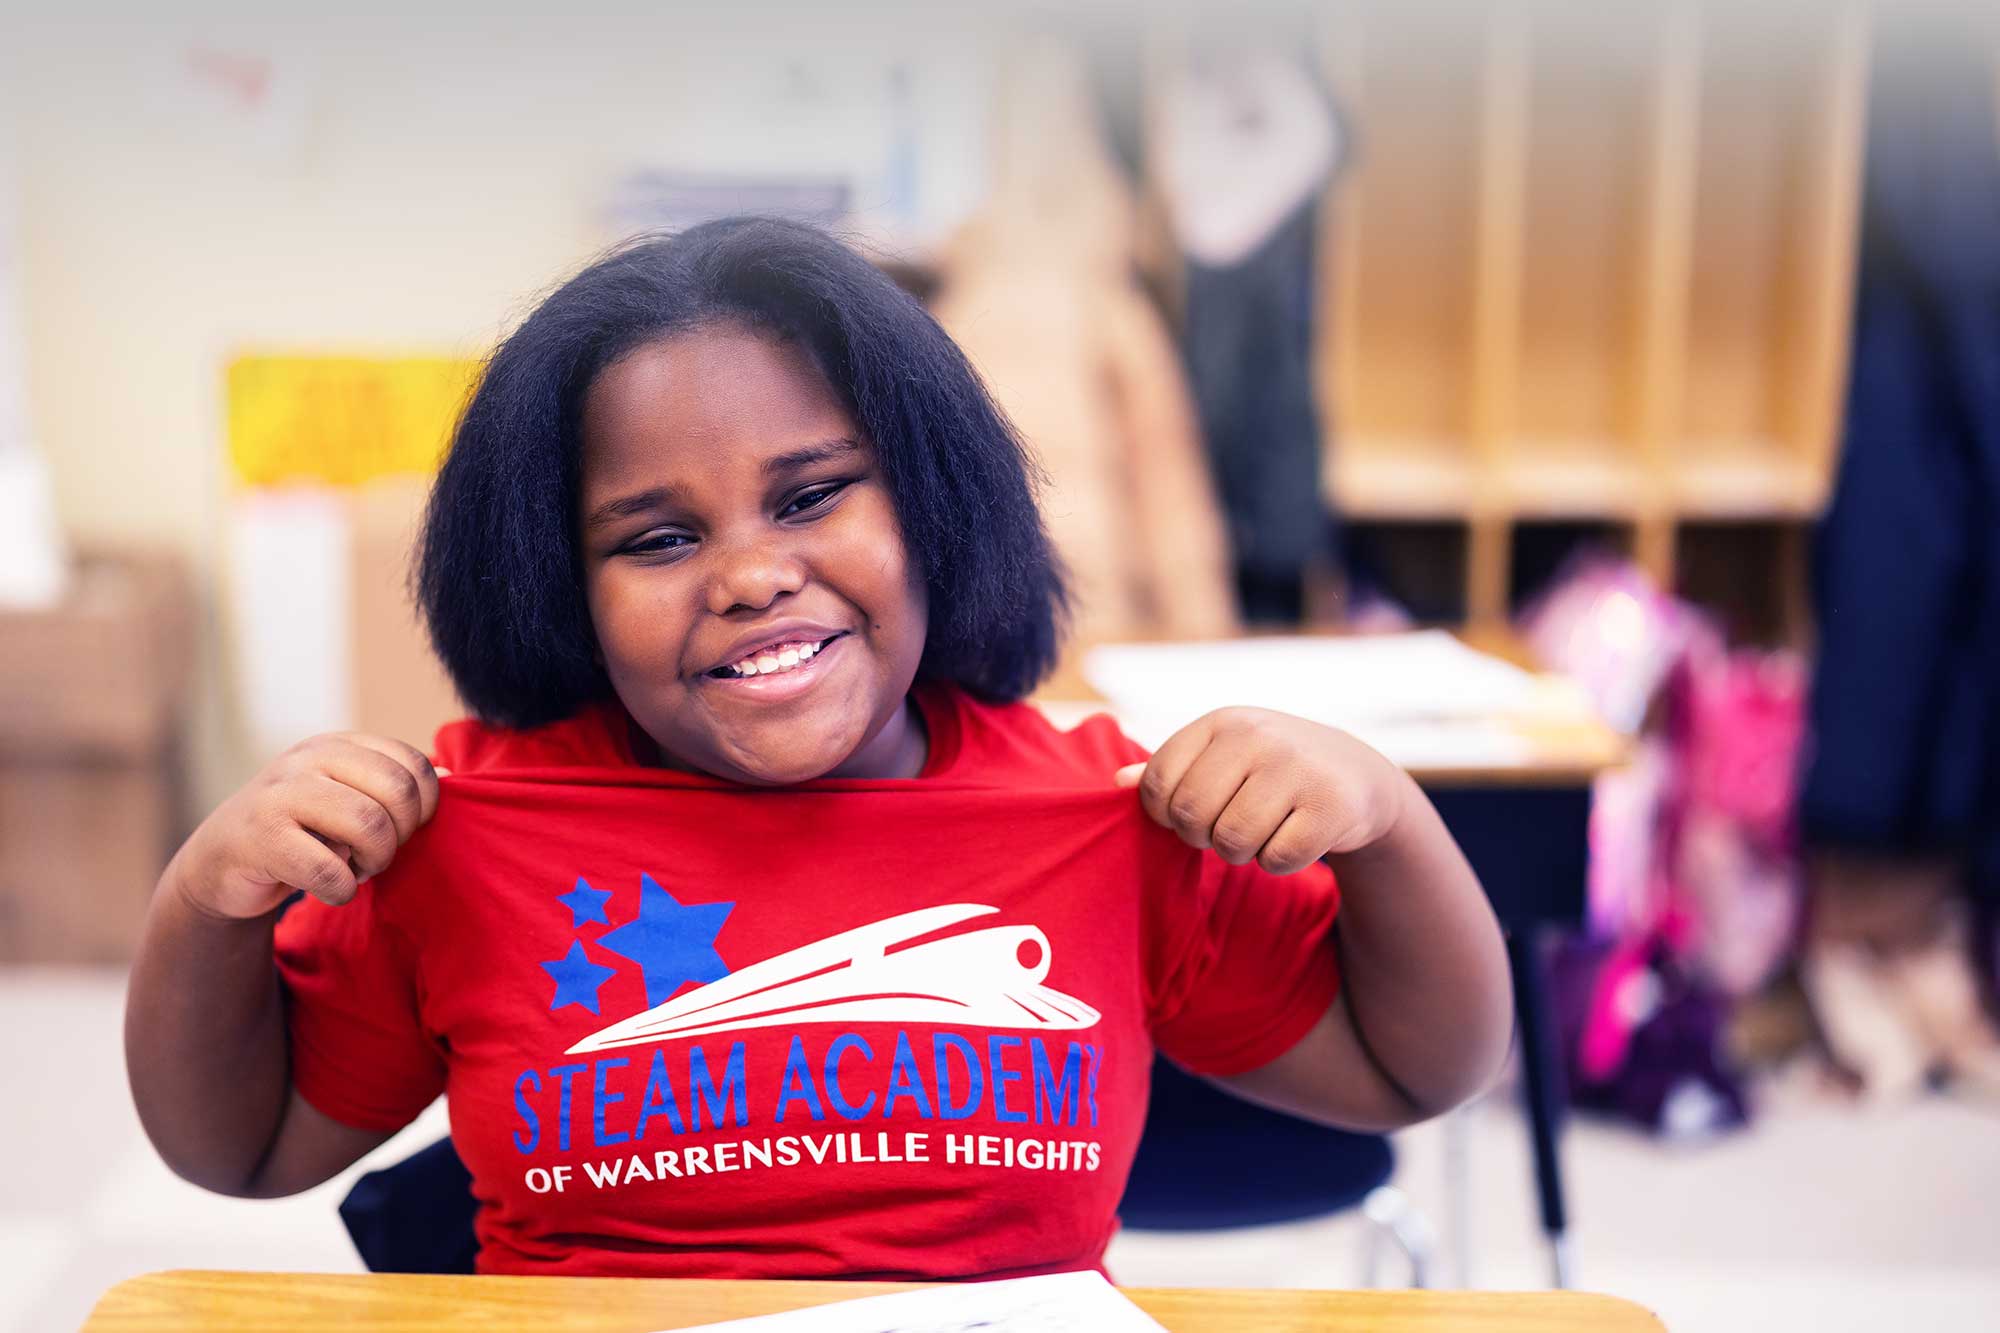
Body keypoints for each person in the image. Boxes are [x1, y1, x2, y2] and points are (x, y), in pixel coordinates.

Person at [125, 217, 1510, 1281]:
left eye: (811, 495)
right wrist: (205, 898)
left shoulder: (1096, 811)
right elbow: (241, 1147)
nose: (749, 575)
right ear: (560, 583)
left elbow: (1412, 1068)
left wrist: (1386, 817)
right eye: (657, 538)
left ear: (936, 505)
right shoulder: (471, 832)